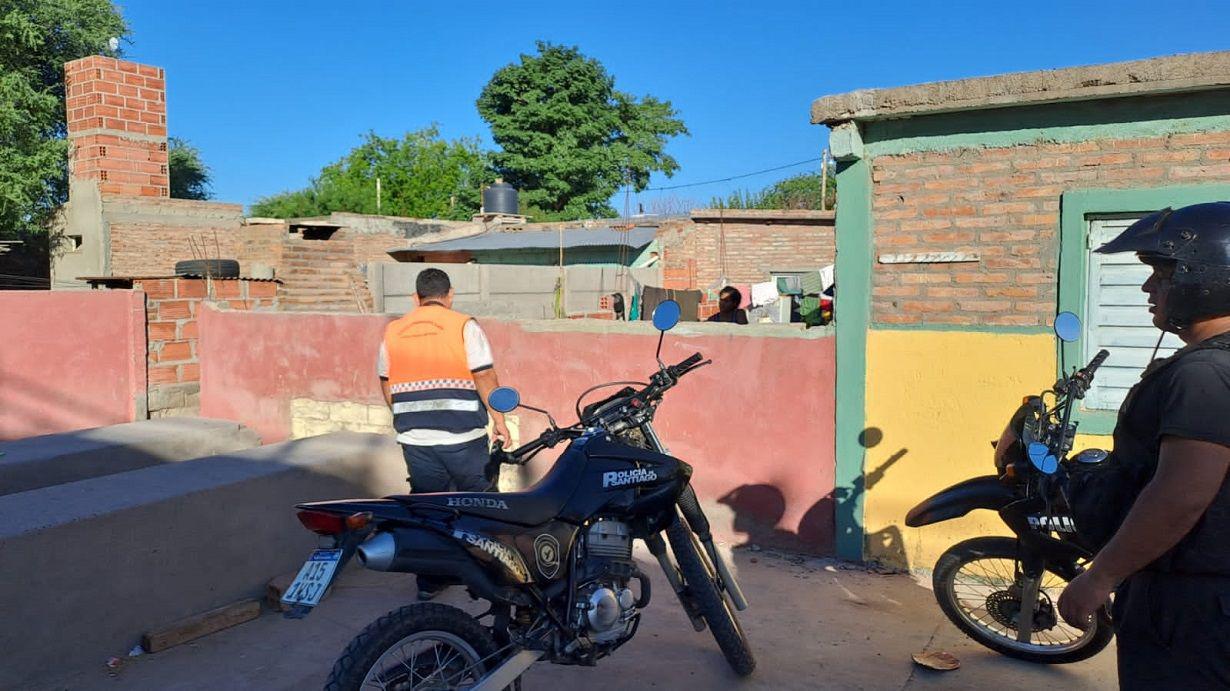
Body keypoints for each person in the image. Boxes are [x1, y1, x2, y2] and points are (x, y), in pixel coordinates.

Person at [1057, 202, 1230, 689]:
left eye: (1162, 276)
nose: (1147, 288)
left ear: (1207, 278)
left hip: (1189, 606)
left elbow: (1181, 494)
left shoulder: (1203, 374)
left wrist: (1101, 576)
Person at [377, 268, 511, 600]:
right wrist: (500, 420)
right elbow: (484, 375)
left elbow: (385, 380)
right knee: (481, 504)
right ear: (450, 296)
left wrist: (405, 415)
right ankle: (491, 574)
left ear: (415, 298)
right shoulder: (464, 325)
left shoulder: (393, 331)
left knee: (427, 508)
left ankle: (429, 581)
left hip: (415, 440)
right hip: (462, 437)